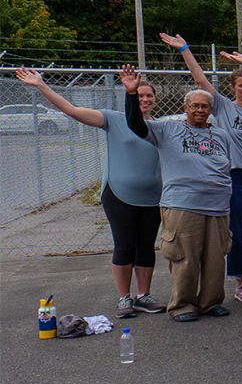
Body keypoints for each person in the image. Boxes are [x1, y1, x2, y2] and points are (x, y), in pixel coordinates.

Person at [15, 66, 164, 318]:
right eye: (139, 95)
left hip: (152, 197)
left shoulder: (161, 127)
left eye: (149, 96)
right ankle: (124, 298)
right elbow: (71, 111)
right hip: (119, 194)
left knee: (146, 246)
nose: (145, 99)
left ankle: (143, 296)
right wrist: (41, 85)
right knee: (125, 245)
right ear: (130, 96)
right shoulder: (113, 118)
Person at [124, 57, 242, 321]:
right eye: (194, 105)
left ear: (210, 110)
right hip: (183, 205)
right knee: (184, 259)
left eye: (205, 106)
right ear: (185, 107)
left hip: (218, 207)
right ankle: (183, 305)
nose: (200, 110)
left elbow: (226, 164)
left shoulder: (220, 134)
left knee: (216, 258)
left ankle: (210, 302)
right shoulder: (167, 129)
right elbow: (136, 125)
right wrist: (130, 94)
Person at [162, 32, 242, 303]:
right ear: (233, 88)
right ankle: (241, 281)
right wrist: (184, 48)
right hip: (236, 177)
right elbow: (200, 81)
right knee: (237, 230)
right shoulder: (225, 108)